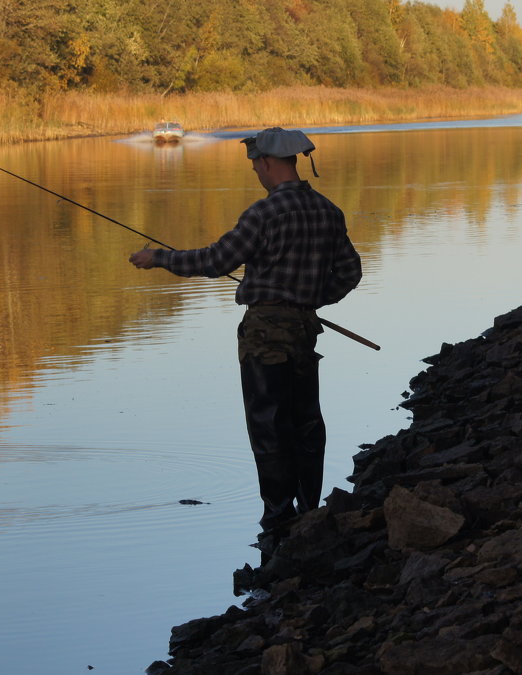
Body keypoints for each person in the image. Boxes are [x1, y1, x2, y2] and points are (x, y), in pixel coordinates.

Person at [128, 127, 362, 561]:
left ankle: (277, 517)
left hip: (264, 335)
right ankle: (309, 510)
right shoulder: (329, 211)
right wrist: (309, 299)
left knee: (268, 424)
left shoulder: (263, 214)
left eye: (256, 163)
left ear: (270, 163)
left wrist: (160, 257)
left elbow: (215, 261)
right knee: (307, 421)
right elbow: (349, 273)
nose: (255, 170)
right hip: (304, 332)